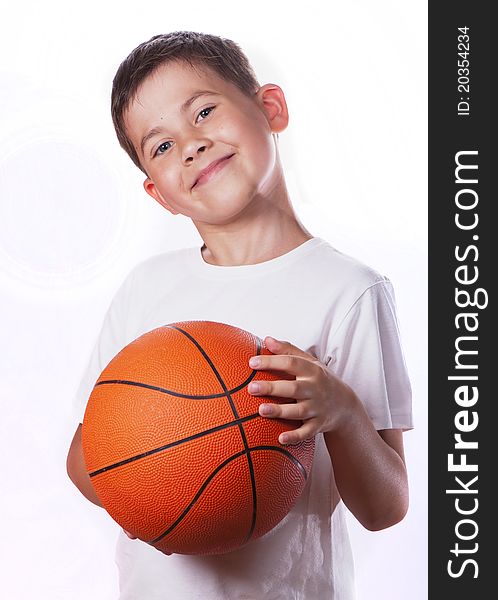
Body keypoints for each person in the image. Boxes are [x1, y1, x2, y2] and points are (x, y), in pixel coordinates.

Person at [66, 31, 413, 600]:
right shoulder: (146, 289)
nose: (192, 146)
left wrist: (344, 412)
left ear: (269, 108)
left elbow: (386, 509)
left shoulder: (349, 291)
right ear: (160, 195)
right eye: (162, 146)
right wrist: (160, 495)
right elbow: (85, 461)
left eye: (204, 111)